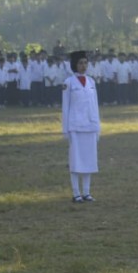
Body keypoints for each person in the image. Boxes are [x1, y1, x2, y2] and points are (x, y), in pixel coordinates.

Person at [61, 50, 101, 203]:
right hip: (76, 126)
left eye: (85, 63)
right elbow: (66, 107)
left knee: (89, 159)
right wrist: (66, 129)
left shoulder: (91, 82)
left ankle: (87, 192)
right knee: (76, 160)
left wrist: (97, 126)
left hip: (90, 125)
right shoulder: (69, 83)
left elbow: (95, 105)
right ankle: (76, 192)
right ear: (74, 65)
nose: (83, 66)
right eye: (80, 63)